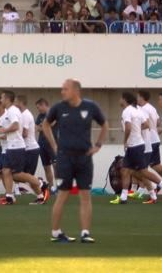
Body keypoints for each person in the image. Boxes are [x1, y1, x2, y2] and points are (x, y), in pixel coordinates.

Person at [42, 79, 107, 243]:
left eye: (65, 89)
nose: (62, 92)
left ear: (76, 91)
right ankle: (56, 232)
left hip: (85, 158)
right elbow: (46, 125)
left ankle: (85, 233)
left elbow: (104, 124)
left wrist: (98, 145)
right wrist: (54, 145)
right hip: (65, 158)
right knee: (62, 195)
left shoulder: (90, 107)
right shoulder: (58, 107)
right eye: (62, 89)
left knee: (85, 195)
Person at [0, 90, 49, 206]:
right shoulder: (13, 111)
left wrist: (3, 131)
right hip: (14, 146)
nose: (1, 100)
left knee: (16, 174)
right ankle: (10, 197)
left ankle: (40, 183)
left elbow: (15, 126)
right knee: (6, 171)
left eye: (2, 98)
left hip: (17, 146)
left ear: (8, 99)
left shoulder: (12, 111)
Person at [112, 92, 162, 204]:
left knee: (143, 171)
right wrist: (136, 130)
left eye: (120, 98)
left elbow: (128, 127)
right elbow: (147, 124)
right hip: (138, 144)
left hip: (135, 145)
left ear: (124, 99)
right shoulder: (138, 111)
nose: (119, 100)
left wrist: (125, 141)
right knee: (125, 170)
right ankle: (123, 198)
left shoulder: (126, 111)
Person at [15, 94, 42, 179]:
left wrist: (12, 136)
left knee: (26, 176)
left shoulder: (26, 115)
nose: (14, 104)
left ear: (20, 102)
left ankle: (41, 184)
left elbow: (25, 134)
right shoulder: (22, 114)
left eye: (15, 101)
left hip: (31, 149)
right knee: (20, 175)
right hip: (26, 149)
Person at [35, 98, 57, 193]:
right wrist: (42, 127)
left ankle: (60, 187)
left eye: (39, 107)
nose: (38, 110)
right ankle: (51, 187)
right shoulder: (40, 115)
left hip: (52, 144)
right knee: (46, 167)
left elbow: (49, 125)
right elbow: (37, 128)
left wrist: (43, 127)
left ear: (44, 105)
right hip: (42, 143)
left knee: (56, 166)